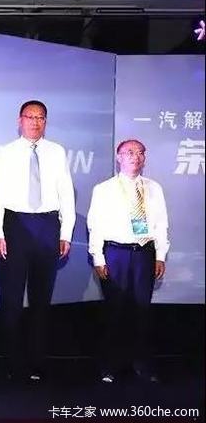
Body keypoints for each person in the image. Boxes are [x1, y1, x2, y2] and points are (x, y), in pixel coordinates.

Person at [0, 100, 75, 382]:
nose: (35, 122)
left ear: (45, 122)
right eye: (30, 117)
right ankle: (13, 363)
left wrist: (65, 233)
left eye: (41, 118)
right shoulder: (5, 153)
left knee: (41, 299)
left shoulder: (57, 152)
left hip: (48, 225)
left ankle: (38, 362)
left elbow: (66, 195)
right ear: (20, 120)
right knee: (12, 300)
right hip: (15, 225)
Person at [87, 139, 169, 384]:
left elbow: (161, 224)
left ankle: (141, 364)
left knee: (142, 311)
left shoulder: (154, 188)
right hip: (116, 253)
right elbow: (95, 225)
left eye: (140, 152)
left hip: (145, 253)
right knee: (115, 311)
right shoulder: (104, 189)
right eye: (130, 152)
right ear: (119, 157)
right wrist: (98, 257)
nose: (136, 156)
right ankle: (110, 366)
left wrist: (160, 255)